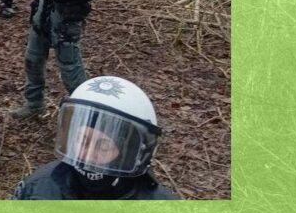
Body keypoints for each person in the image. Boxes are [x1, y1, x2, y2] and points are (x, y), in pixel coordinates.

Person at [12, 75, 180, 200]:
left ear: (128, 153)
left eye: (104, 146)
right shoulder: (37, 189)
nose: (88, 155)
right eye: (82, 140)